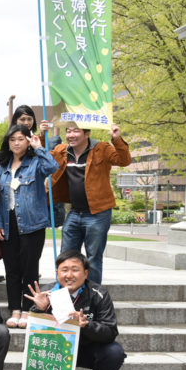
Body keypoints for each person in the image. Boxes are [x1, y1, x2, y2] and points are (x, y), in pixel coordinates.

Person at [25, 250, 125, 370]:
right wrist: (40, 309)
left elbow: (110, 331)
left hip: (88, 349)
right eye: (64, 270)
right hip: (58, 350)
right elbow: (34, 333)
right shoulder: (47, 293)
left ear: (86, 273)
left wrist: (87, 326)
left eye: (75, 270)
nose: (69, 275)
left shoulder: (99, 294)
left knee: (115, 352)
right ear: (57, 272)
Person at [44, 120, 131, 284]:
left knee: (93, 258)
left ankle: (93, 298)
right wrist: (42, 136)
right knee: (66, 257)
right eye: (68, 131)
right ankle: (67, 296)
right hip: (75, 213)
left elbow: (123, 160)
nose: (71, 135)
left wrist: (117, 139)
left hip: (98, 213)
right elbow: (42, 159)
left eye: (75, 131)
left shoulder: (102, 148)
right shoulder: (62, 151)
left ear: (87, 134)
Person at [0, 125, 59, 328]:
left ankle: (28, 309)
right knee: (11, 269)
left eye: (20, 139)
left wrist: (39, 148)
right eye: (12, 139)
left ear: (27, 140)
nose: (16, 143)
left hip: (32, 224)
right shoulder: (2, 168)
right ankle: (14, 310)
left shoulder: (36, 163)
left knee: (30, 269)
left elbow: (52, 167)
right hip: (8, 223)